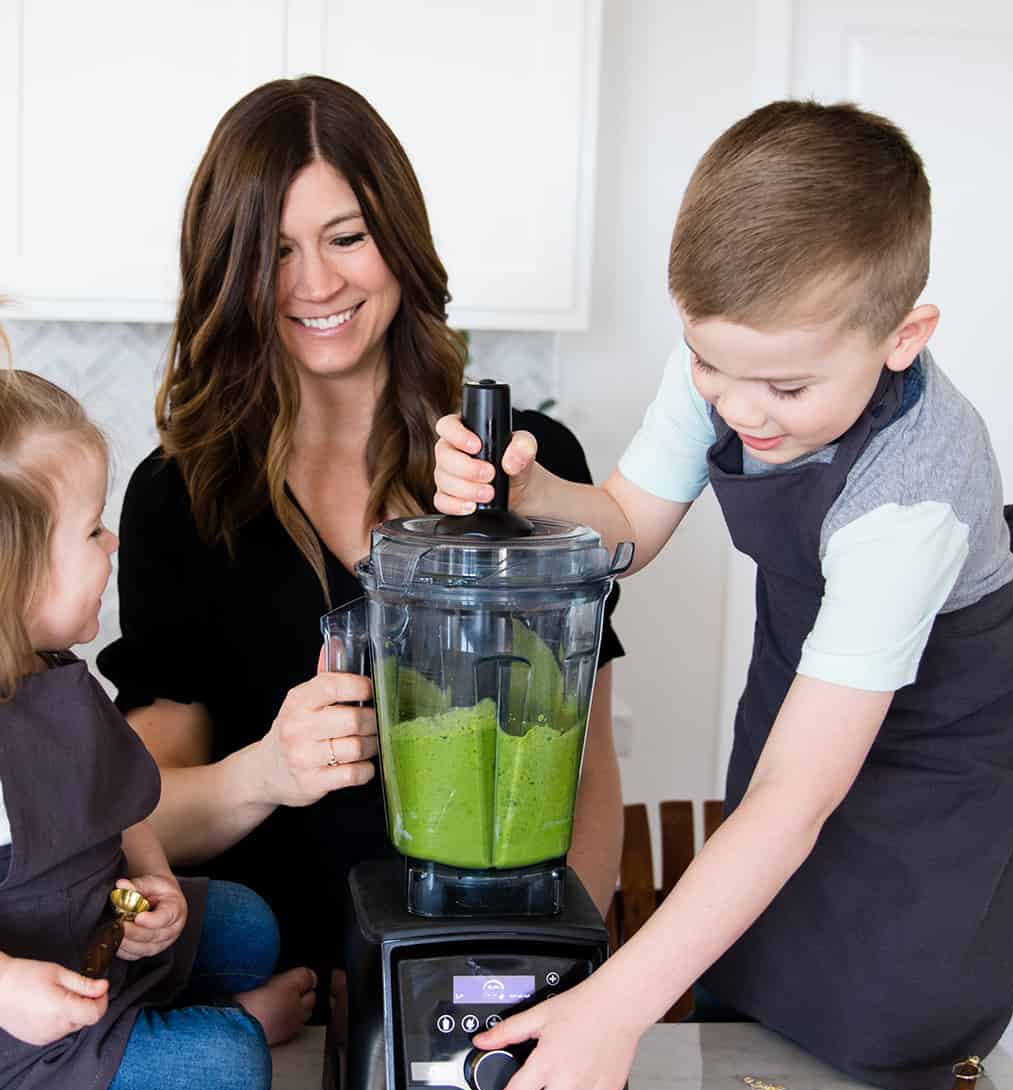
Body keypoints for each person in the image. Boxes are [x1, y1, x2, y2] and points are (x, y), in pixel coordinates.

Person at [434, 100, 1013, 1090]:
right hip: (810, 672)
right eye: (712, 366)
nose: (744, 411)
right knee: (749, 980)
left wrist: (617, 1006)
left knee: (885, 1028)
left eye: (787, 387)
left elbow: (793, 803)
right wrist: (531, 497)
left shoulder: (912, 504)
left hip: (941, 751)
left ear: (904, 339)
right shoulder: (735, 356)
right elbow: (626, 523)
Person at [97, 75, 625, 1010]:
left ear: (401, 240)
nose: (316, 284)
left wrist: (558, 989)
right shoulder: (181, 498)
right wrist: (270, 770)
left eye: (347, 238)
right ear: (230, 268)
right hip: (266, 1001)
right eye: (275, 251)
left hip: (489, 988)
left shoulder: (520, 467)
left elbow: (584, 772)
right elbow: (148, 819)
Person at [0, 277, 316, 1090]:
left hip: (74, 946)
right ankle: (210, 1029)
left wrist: (156, 881)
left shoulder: (50, 669)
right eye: (92, 532)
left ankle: (146, 1016)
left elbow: (119, 803)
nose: (114, 548)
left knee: (246, 922)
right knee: (225, 1077)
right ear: (1, 574)